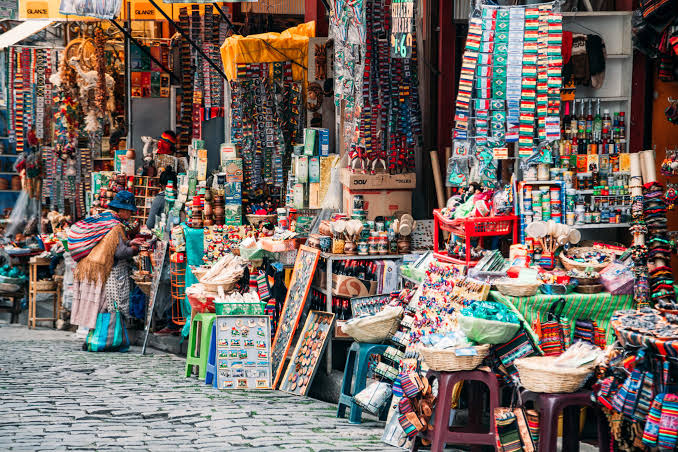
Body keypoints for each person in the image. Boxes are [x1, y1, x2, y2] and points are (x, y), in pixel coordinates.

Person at [68, 191, 144, 333]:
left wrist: (129, 241)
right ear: (122, 210)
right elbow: (119, 252)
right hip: (102, 269)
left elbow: (111, 243)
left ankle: (95, 335)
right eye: (129, 211)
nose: (131, 215)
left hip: (89, 267)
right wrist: (135, 248)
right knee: (108, 307)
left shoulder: (104, 218)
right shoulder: (116, 226)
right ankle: (107, 337)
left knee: (98, 307)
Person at [146, 167, 177, 235]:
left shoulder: (159, 199)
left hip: (164, 236)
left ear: (162, 185)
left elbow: (150, 224)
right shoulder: (180, 197)